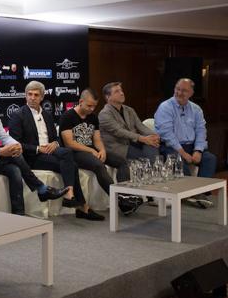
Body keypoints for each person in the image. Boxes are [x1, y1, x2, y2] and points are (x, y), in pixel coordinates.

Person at [0, 81, 67, 216]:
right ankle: (41, 188)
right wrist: (0, 151)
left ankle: (19, 213)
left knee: (15, 170)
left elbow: (4, 136)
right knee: (12, 155)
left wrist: (16, 144)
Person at [8, 81, 101, 220]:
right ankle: (80, 204)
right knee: (70, 159)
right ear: (25, 96)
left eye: (36, 95)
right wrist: (39, 148)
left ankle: (74, 198)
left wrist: (56, 142)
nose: (32, 97)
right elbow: (16, 143)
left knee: (70, 161)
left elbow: (56, 136)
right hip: (33, 156)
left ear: (42, 97)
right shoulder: (18, 115)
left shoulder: (47, 114)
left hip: (51, 151)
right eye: (29, 94)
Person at [59, 88, 141, 216]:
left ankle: (125, 195)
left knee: (121, 161)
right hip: (75, 153)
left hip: (92, 150)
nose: (92, 109)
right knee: (98, 165)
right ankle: (119, 200)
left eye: (94, 106)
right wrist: (91, 150)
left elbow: (97, 139)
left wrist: (102, 149)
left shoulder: (93, 117)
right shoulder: (67, 117)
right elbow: (69, 143)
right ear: (81, 101)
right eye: (89, 106)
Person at [155, 78, 217, 208]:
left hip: (192, 146)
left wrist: (198, 150)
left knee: (210, 159)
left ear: (191, 93)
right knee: (178, 161)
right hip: (171, 147)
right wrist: (183, 153)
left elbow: (201, 131)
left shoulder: (196, 109)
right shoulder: (165, 107)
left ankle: (199, 192)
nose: (179, 93)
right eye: (177, 89)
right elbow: (167, 135)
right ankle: (191, 195)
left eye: (184, 90)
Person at [99, 82, 160, 164]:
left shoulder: (129, 110)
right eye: (117, 91)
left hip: (134, 142)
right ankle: (154, 172)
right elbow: (119, 131)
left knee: (152, 145)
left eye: (121, 90)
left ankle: (155, 172)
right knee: (146, 156)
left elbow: (141, 127)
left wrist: (154, 136)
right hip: (119, 147)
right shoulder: (104, 114)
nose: (121, 93)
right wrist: (142, 139)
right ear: (108, 97)